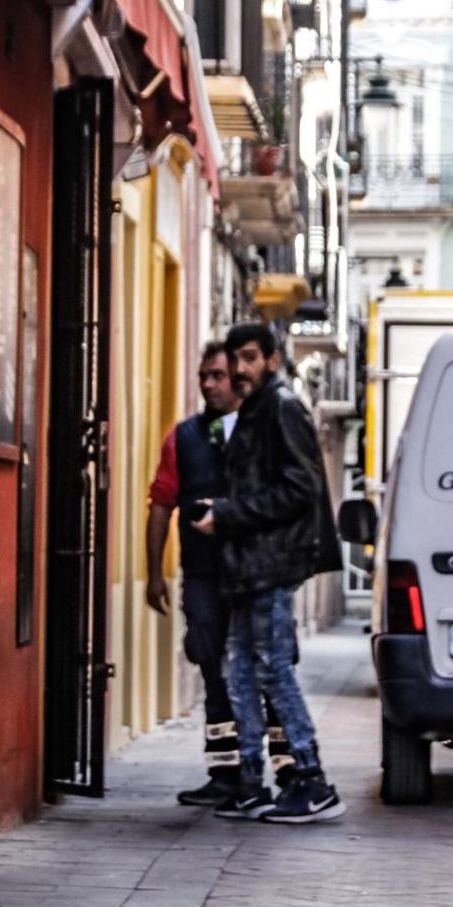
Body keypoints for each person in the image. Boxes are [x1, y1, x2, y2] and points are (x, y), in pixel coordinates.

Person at [193, 323, 345, 823]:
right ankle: (251, 781)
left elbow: (300, 488)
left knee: (273, 670)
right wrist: (223, 507)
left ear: (273, 361)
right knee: (239, 673)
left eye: (251, 358)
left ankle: (310, 777)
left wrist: (231, 515)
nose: (240, 369)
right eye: (236, 358)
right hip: (245, 566)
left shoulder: (281, 407)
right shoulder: (251, 413)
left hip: (271, 565)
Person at [146, 343, 291, 805]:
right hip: (205, 575)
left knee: (268, 672)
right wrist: (155, 573)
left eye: (217, 376)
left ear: (240, 380)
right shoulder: (183, 438)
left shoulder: (265, 434)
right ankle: (226, 775)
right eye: (203, 376)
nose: (208, 384)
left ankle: (286, 775)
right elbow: (161, 504)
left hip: (256, 575)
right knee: (214, 670)